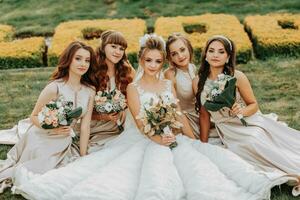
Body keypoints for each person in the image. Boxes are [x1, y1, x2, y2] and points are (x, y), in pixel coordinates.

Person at [11, 34, 293, 200]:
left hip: (172, 135)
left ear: (163, 62)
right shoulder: (133, 88)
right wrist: (159, 136)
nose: (154, 65)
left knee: (203, 164)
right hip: (143, 138)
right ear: (142, 60)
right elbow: (141, 119)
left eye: (159, 61)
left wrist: (196, 142)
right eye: (149, 60)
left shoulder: (167, 83)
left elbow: (178, 114)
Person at [193, 35, 300, 196]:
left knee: (253, 140)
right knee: (240, 150)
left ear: (228, 57)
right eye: (211, 51)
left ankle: (293, 169)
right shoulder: (197, 81)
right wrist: (203, 143)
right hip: (227, 130)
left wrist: (241, 111)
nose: (215, 55)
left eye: (221, 52)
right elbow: (204, 114)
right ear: (205, 55)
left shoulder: (238, 76)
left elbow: (254, 105)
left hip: (247, 121)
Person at [0, 41, 96, 192]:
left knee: (71, 170)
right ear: (68, 59)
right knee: (40, 171)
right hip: (42, 135)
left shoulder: (90, 91)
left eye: (87, 60)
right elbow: (34, 116)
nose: (83, 63)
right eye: (78, 58)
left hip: (64, 139)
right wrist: (53, 128)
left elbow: (85, 127)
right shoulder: (55, 87)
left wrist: (83, 156)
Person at [74, 30, 135, 153]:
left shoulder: (127, 70)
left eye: (121, 49)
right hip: (95, 123)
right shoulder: (92, 71)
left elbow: (136, 97)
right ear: (103, 47)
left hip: (118, 123)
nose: (118, 52)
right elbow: (82, 108)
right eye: (113, 46)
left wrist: (123, 108)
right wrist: (103, 116)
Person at [164, 33, 220, 143]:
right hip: (185, 121)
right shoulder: (170, 74)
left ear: (189, 48)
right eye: (174, 54)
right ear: (170, 57)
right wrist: (193, 140)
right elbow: (175, 109)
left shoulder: (192, 67)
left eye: (182, 50)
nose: (180, 56)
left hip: (200, 115)